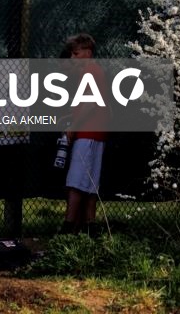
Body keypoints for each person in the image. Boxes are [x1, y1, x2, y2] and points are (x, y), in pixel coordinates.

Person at [61, 33, 108, 235]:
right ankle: (91, 227)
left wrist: (74, 126)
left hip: (87, 133)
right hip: (97, 133)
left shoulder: (89, 71)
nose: (73, 58)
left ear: (87, 53)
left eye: (76, 53)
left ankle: (68, 228)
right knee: (90, 184)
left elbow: (89, 104)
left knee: (75, 182)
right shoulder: (96, 72)